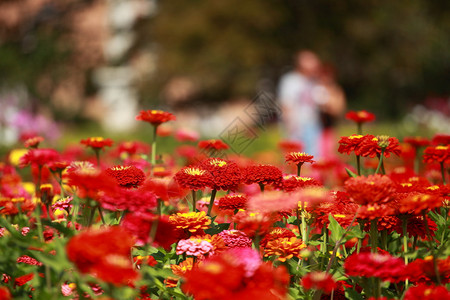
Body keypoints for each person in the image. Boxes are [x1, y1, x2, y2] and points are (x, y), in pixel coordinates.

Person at [277, 50, 325, 157]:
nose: (314, 63)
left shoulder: (314, 81)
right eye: (310, 60)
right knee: (295, 158)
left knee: (314, 157)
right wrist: (290, 128)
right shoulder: (291, 80)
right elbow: (286, 104)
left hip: (313, 124)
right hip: (296, 126)